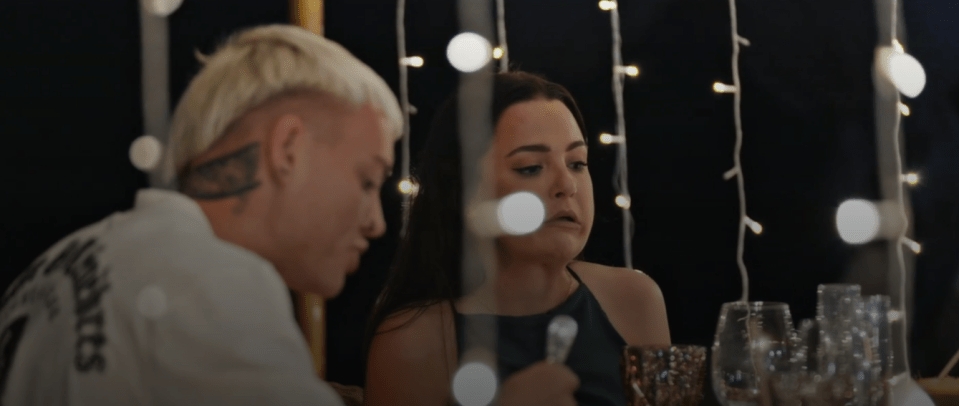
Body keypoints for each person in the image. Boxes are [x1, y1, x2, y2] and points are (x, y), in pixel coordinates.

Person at [0, 24, 401, 405]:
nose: (376, 223)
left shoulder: (59, 263)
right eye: (367, 181)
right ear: (288, 148)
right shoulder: (212, 281)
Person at [364, 71, 671, 406]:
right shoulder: (413, 343)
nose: (566, 185)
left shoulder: (634, 300)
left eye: (577, 163)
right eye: (530, 167)